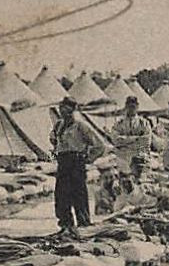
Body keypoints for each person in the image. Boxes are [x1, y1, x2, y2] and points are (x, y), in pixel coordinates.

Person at [50, 97, 98, 236]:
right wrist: (56, 147)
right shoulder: (58, 125)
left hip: (76, 162)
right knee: (62, 195)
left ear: (72, 110)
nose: (63, 112)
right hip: (63, 162)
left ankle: (83, 224)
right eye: (61, 108)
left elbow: (98, 145)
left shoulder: (81, 126)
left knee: (79, 194)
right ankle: (66, 225)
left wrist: (88, 158)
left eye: (66, 109)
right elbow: (53, 139)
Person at [109, 94, 153, 184]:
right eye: (129, 106)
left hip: (139, 158)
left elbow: (146, 141)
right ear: (125, 106)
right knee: (124, 183)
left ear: (137, 106)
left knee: (140, 184)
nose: (131, 108)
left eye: (133, 106)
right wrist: (136, 138)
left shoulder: (144, 123)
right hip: (123, 159)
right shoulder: (119, 123)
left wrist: (125, 141)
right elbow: (115, 140)